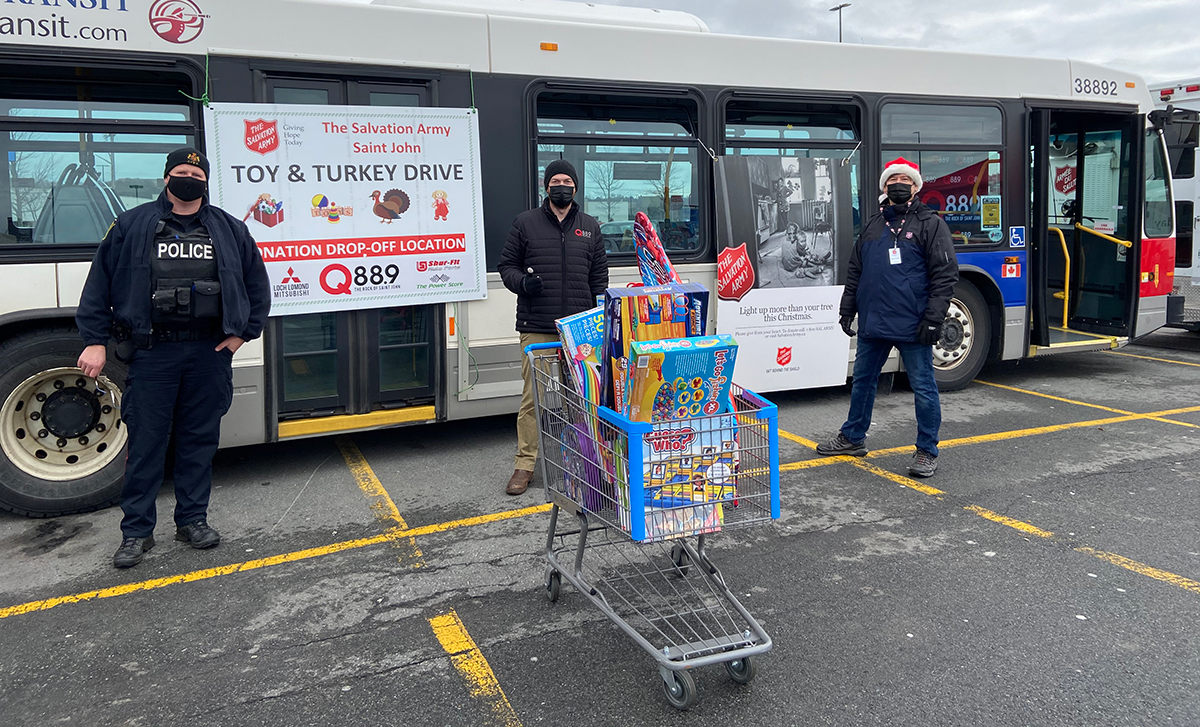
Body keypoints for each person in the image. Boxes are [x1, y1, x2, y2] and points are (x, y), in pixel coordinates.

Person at [76, 147, 271, 568]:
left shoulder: (230, 229)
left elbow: (258, 288)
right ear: (166, 178)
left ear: (205, 181)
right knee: (146, 443)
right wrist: (94, 339)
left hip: (208, 353)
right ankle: (136, 532)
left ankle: (192, 521)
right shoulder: (132, 224)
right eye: (181, 172)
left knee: (199, 440)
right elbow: (99, 284)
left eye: (195, 174)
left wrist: (240, 336)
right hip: (154, 353)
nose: (189, 179)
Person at [816, 157, 959, 477]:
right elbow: (856, 270)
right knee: (863, 382)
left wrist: (934, 319)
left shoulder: (931, 224)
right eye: (893, 180)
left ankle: (927, 451)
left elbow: (945, 275)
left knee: (923, 387)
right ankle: (852, 437)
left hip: (914, 323)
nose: (899, 185)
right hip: (874, 322)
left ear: (915, 187)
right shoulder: (872, 225)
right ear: (884, 187)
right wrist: (847, 308)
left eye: (905, 181)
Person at [497, 159, 608, 495]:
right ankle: (525, 464)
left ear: (575, 187)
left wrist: (599, 321)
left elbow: (599, 279)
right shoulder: (525, 223)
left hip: (578, 332)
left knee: (581, 399)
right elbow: (507, 266)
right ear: (547, 187)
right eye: (556, 180)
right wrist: (523, 284)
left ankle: (585, 461)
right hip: (537, 327)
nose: (562, 186)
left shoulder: (590, 226)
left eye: (567, 181)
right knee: (533, 400)